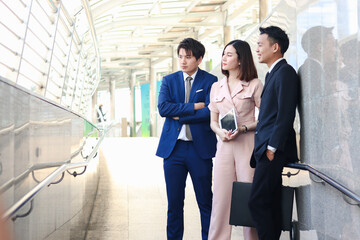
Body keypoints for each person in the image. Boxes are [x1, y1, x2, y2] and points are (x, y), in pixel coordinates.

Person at [156, 38, 218, 240]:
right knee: (174, 204)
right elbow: (163, 108)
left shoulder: (211, 81)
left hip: (199, 150)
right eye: (180, 56)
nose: (183, 61)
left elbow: (209, 112)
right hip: (173, 150)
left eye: (188, 57)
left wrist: (179, 113)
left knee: (205, 202)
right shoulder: (169, 80)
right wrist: (193, 107)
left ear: (199, 59)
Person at [207, 40, 263, 240]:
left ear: (241, 59)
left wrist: (244, 128)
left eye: (229, 55)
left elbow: (265, 117)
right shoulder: (216, 87)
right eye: (223, 54)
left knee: (249, 197)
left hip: (247, 145)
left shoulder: (254, 84)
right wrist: (220, 133)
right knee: (220, 199)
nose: (223, 58)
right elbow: (213, 121)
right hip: (224, 146)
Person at [248, 26, 299, 240]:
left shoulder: (285, 72)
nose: (257, 50)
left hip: (272, 150)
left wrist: (271, 147)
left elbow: (286, 114)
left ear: (275, 47)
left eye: (260, 45)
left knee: (257, 202)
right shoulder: (273, 73)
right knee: (269, 201)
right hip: (267, 148)